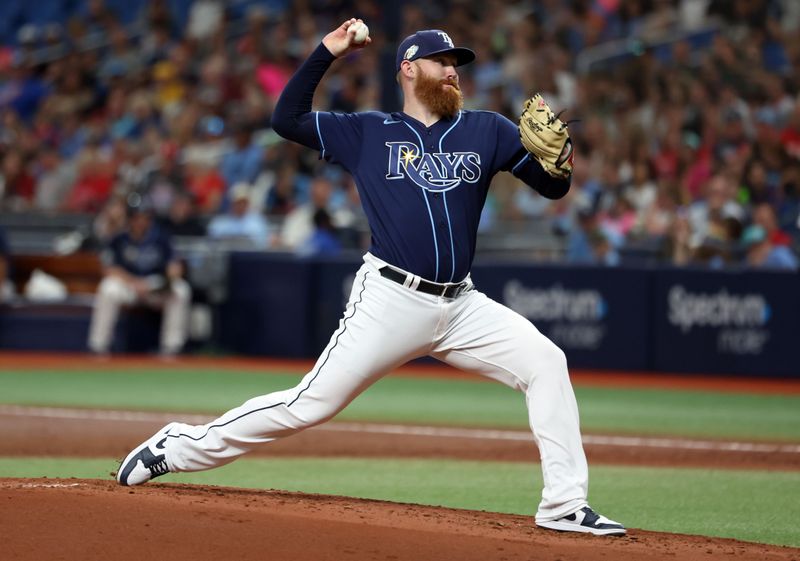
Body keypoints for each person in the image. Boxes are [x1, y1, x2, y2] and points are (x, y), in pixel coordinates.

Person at [117, 20, 625, 537]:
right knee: (309, 404)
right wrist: (327, 51)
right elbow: (285, 118)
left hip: (462, 305)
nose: (453, 71)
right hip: (391, 299)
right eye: (442, 62)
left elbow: (551, 189)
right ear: (409, 69)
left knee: (546, 362)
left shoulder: (488, 129)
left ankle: (563, 505)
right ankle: (178, 445)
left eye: (457, 64)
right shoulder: (368, 132)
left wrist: (561, 164)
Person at [88, 204, 191, 356]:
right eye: (137, 218)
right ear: (130, 220)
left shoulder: (161, 238)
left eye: (145, 218)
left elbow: (174, 265)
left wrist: (171, 277)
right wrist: (133, 282)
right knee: (107, 288)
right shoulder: (119, 239)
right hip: (128, 285)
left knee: (181, 290)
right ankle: (99, 346)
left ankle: (171, 348)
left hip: (154, 285)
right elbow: (108, 269)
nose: (141, 222)